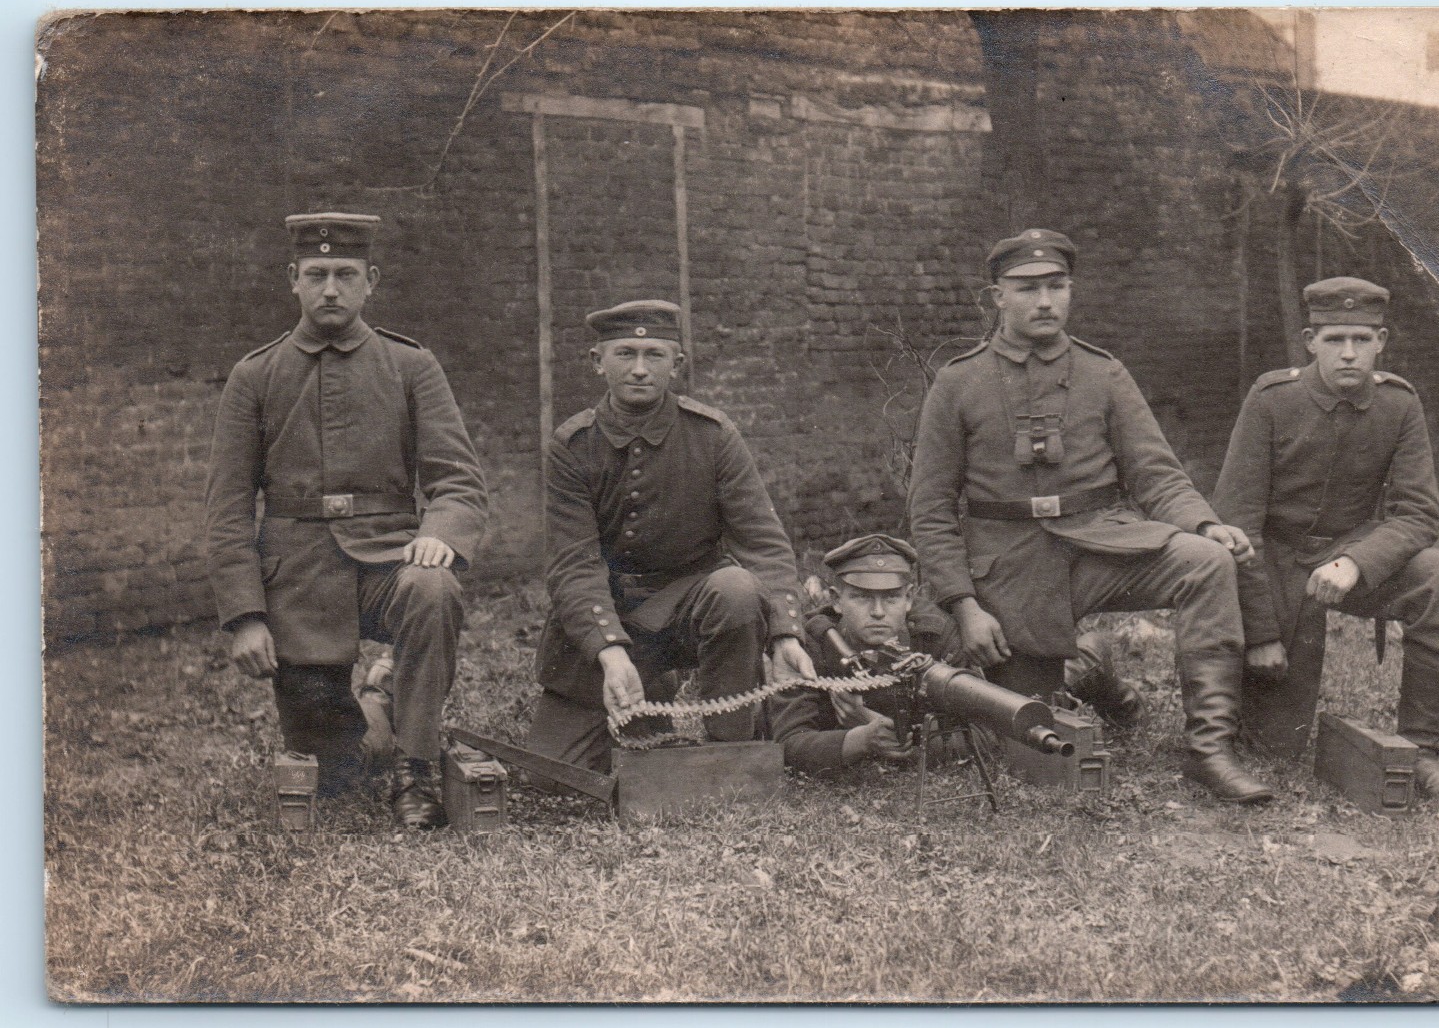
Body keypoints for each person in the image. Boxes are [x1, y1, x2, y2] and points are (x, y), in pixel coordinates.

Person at [908, 229, 1272, 804]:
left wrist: (1205, 525)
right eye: (1028, 288)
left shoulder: (1105, 375)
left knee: (1205, 563)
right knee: (1030, 741)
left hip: (1104, 545)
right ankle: (1094, 670)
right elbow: (929, 510)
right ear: (996, 296)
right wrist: (965, 604)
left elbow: (1156, 474)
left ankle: (1210, 749)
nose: (1046, 301)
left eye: (1057, 286)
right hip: (1010, 567)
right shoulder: (958, 383)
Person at [206, 212, 489, 828]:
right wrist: (246, 616)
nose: (330, 288)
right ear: (294, 279)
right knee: (338, 773)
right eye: (316, 274)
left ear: (371, 281)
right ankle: (378, 704)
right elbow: (227, 508)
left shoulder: (411, 366)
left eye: (345, 274)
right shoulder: (255, 376)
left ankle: (415, 771)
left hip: (389, 557)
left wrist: (437, 534)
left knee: (432, 588)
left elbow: (459, 479)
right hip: (298, 579)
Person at [1212, 276, 1439, 800]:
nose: (1348, 354)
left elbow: (1418, 512)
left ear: (1381, 341)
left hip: (1350, 556)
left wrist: (1355, 561)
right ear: (1310, 340)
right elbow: (1237, 523)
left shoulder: (1399, 404)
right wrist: (1261, 632)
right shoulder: (1271, 399)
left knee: (1438, 575)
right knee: (1275, 746)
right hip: (1277, 561)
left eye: (1361, 338)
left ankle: (1420, 752)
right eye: (1334, 340)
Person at [531, 299, 817, 771]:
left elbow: (763, 543)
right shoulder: (572, 445)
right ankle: (646, 688)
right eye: (625, 354)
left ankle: (732, 750)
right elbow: (574, 564)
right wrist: (610, 652)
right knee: (555, 772)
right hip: (612, 611)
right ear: (597, 362)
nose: (640, 369)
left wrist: (787, 635)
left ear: (677, 365)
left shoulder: (714, 435)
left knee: (738, 590)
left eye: (655, 356)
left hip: (693, 610)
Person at [770, 533, 1119, 774]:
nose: (878, 612)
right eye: (861, 597)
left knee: (1038, 700)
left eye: (891, 598)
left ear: (909, 599)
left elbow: (988, 734)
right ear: (835, 599)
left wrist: (899, 740)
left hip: (1002, 682)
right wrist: (859, 740)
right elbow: (788, 743)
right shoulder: (810, 646)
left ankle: (1091, 656)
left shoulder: (935, 635)